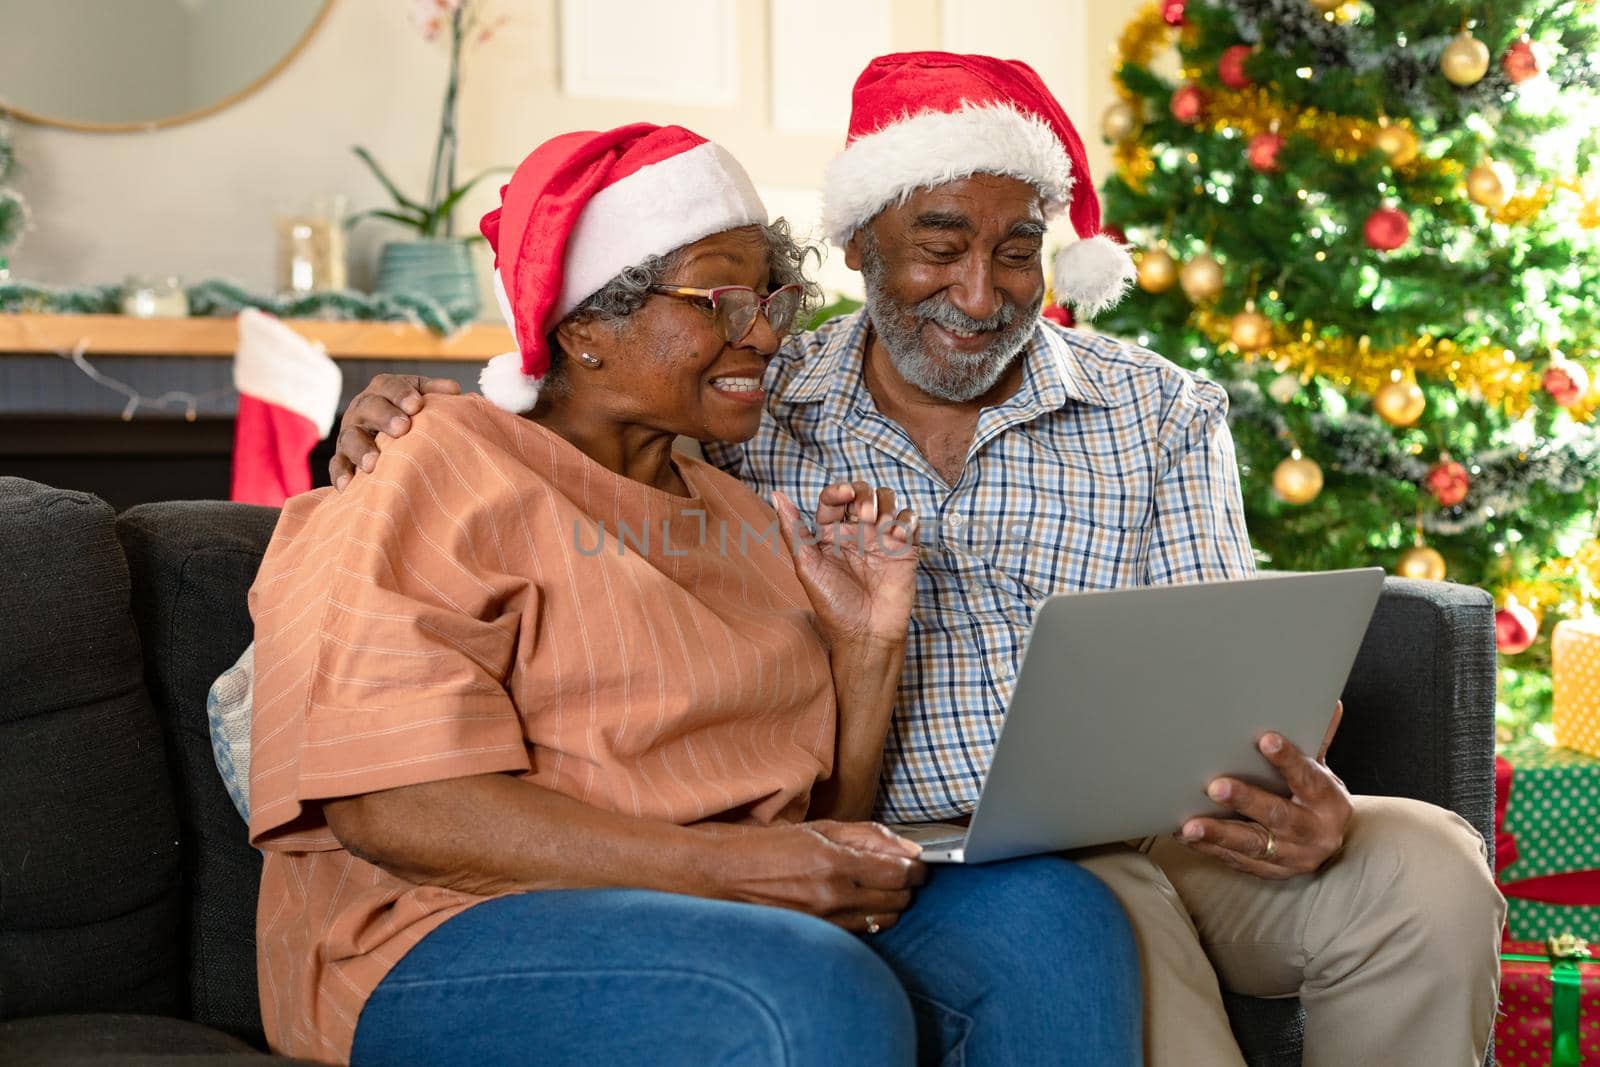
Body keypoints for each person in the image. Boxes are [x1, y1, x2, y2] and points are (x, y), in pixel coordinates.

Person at [329, 55, 1507, 1065]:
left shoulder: (1157, 408)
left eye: (1016, 252)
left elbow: (1231, 670)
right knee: (1089, 909)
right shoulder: (746, 396)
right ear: (854, 248)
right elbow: (583, 388)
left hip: (1159, 823)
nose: (980, 295)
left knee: (1424, 860)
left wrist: (1293, 786)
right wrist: (401, 411)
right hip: (921, 844)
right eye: (936, 248)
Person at [245, 122, 1141, 1067]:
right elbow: (394, 811)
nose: (763, 333)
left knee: (1056, 919)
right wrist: (730, 871)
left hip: (730, 909)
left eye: (770, 296)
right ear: (584, 325)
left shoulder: (742, 512)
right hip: (449, 927)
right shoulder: (432, 465)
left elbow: (814, 830)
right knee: (801, 988)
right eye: (719, 299)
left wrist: (868, 648)